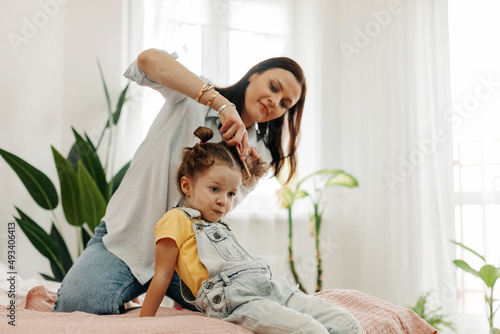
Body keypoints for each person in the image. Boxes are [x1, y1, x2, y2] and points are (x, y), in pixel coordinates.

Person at [53, 48, 307, 314]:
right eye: (273, 87)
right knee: (76, 306)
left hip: (189, 262)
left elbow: (214, 215)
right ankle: (128, 303)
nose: (274, 101)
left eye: (284, 104)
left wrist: (242, 173)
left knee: (251, 312)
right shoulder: (194, 96)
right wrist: (221, 104)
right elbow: (147, 60)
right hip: (126, 241)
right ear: (253, 75)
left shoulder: (258, 155)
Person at [140, 126, 365, 334]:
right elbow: (162, 275)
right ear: (187, 185)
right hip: (236, 300)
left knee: (345, 322)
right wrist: (143, 324)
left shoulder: (218, 226)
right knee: (310, 330)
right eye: (215, 189)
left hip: (271, 288)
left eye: (230, 194)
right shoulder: (175, 219)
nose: (223, 201)